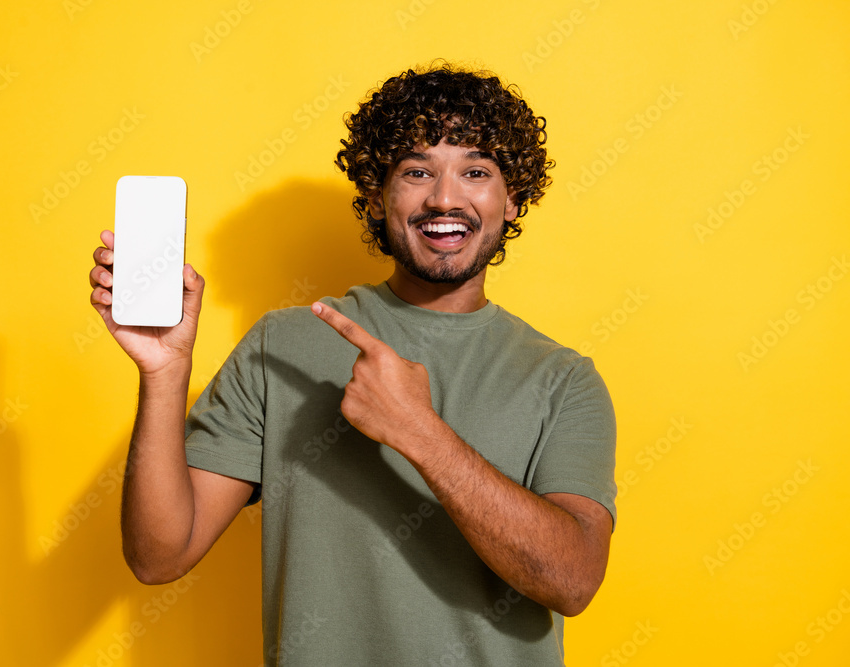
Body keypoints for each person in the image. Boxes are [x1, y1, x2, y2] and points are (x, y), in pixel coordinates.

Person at [89, 62, 616, 666]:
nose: (445, 198)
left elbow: (573, 581)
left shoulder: (565, 380)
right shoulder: (280, 347)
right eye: (417, 171)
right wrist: (163, 374)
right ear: (377, 195)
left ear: (512, 200)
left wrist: (419, 432)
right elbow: (160, 556)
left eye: (476, 171)